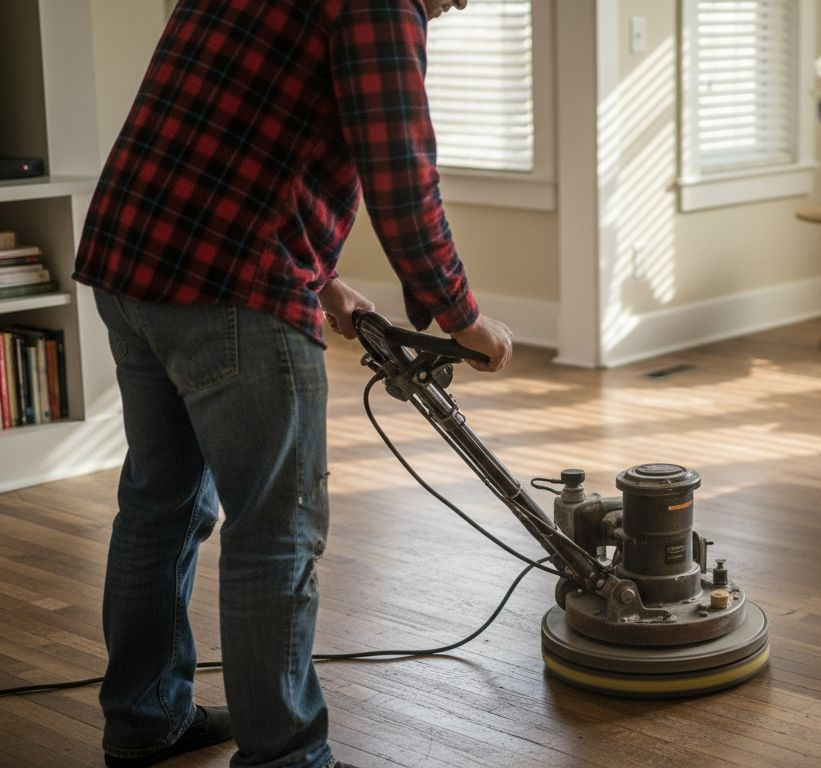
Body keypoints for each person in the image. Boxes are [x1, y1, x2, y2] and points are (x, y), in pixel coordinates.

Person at [72, 1, 509, 766]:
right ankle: (288, 758)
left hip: (130, 255)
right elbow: (402, 180)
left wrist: (327, 277)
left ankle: (145, 722)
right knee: (276, 533)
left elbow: (234, 123)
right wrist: (464, 319)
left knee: (158, 507)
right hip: (234, 287)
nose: (463, 2)